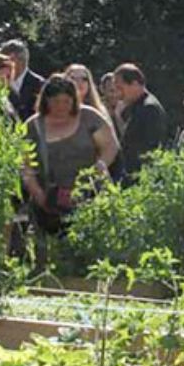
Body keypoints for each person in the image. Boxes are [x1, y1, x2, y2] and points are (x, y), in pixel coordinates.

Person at [22, 73, 119, 241]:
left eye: (66, 101)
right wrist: (39, 195)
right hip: (51, 203)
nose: (61, 107)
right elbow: (26, 167)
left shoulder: (89, 117)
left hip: (91, 196)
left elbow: (110, 146)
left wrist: (101, 165)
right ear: (46, 101)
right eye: (56, 102)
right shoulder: (33, 126)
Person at [112, 63, 168, 180]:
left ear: (135, 84)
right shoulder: (136, 107)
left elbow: (151, 149)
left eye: (120, 88)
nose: (118, 94)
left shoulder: (149, 108)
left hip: (144, 178)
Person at [2, 40, 44, 121]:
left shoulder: (39, 84)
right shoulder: (0, 82)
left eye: (7, 60)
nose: (3, 64)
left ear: (20, 61)